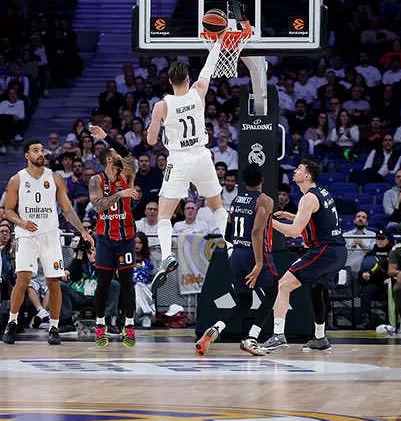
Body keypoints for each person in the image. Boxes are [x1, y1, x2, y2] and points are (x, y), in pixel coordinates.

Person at [145, 39, 229, 290]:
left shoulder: (162, 105)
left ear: (169, 81)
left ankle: (168, 257)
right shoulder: (198, 91)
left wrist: (161, 128)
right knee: (216, 206)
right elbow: (209, 68)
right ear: (187, 78)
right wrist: (218, 43)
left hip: (179, 159)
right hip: (202, 155)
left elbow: (150, 140)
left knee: (164, 214)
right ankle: (233, 244)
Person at [1, 139, 93, 345]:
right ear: (27, 155)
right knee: (23, 279)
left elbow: (68, 210)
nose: (40, 153)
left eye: (42, 150)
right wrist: (22, 222)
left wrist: (83, 232)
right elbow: (8, 210)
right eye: (35, 150)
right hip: (27, 235)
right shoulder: (17, 179)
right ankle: (12, 322)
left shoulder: (55, 178)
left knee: (54, 282)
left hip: (50, 235)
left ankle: (54, 327)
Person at [261, 158, 347, 351]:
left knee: (283, 285)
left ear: (306, 176)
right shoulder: (321, 192)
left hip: (325, 250)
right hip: (338, 250)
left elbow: (293, 232)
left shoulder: (308, 198)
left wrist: (267, 222)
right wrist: (292, 216)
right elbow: (315, 219)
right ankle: (320, 338)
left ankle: (278, 335)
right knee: (317, 289)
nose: (295, 171)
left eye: (298, 169)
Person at [195, 164, 279, 356]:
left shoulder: (236, 200)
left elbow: (228, 232)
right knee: (273, 292)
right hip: (254, 254)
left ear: (243, 182)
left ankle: (216, 328)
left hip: (237, 255)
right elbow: (257, 232)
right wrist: (258, 263)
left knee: (243, 302)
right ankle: (252, 337)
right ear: (262, 181)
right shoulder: (264, 200)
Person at [87, 124, 139, 348]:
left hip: (126, 237)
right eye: (115, 154)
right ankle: (100, 326)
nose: (120, 156)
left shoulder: (127, 174)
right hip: (105, 239)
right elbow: (98, 207)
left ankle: (129, 326)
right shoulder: (96, 180)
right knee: (104, 283)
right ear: (109, 159)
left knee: (127, 283)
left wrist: (106, 137)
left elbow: (128, 154)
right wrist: (120, 194)